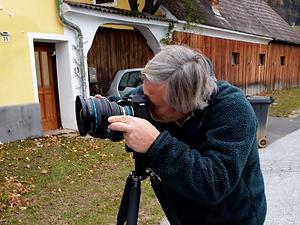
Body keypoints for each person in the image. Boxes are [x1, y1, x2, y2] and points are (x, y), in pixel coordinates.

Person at [108, 45, 267, 225]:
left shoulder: (234, 109)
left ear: (184, 105)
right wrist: (107, 112)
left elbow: (214, 183)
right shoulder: (154, 94)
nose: (145, 106)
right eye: (145, 95)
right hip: (184, 213)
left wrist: (156, 145)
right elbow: (132, 104)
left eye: (153, 105)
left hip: (234, 217)